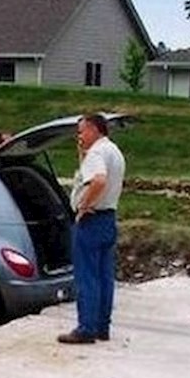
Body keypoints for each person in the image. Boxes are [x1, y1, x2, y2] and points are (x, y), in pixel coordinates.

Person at [58, 113, 125, 344]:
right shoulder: (113, 151)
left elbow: (98, 180)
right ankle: (101, 327)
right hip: (108, 218)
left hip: (92, 220)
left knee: (87, 276)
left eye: (81, 131)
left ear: (95, 130)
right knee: (105, 276)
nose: (79, 136)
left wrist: (84, 205)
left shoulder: (96, 153)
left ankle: (86, 327)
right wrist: (81, 155)